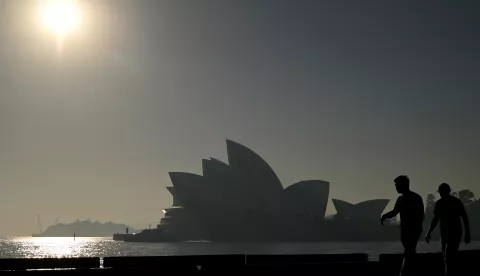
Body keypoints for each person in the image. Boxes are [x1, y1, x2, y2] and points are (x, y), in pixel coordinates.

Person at [381, 175, 424, 275]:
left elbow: (420, 215)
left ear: (403, 185)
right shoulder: (400, 198)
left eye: (397, 185)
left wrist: (416, 227)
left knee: (409, 251)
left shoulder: (415, 197)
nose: (396, 187)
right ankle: (413, 270)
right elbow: (395, 212)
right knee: (410, 252)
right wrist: (385, 216)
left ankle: (404, 272)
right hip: (404, 229)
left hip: (412, 229)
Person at [425, 183, 470, 275]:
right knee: (447, 255)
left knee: (448, 254)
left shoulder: (451, 202)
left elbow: (464, 217)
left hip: (454, 233)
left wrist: (467, 233)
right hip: (446, 233)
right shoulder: (444, 203)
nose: (441, 193)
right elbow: (435, 219)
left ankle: (449, 272)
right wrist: (429, 232)